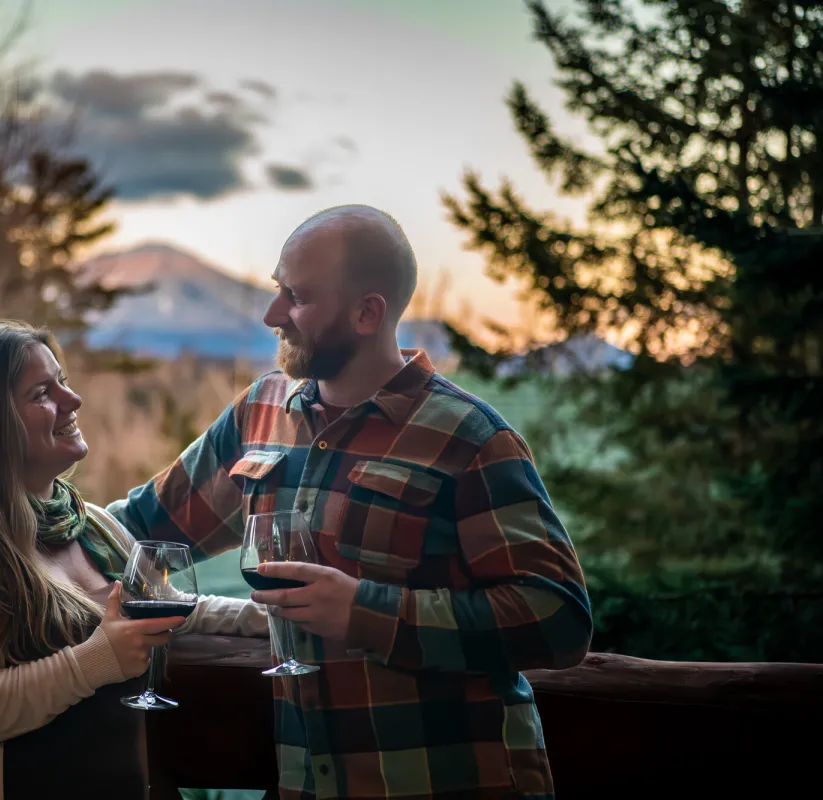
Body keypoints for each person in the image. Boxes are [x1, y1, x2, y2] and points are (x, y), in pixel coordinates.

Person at [109, 205, 593, 799]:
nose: (271, 315)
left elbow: (559, 619)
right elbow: (135, 530)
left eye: (298, 297)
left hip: (445, 784)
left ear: (368, 312)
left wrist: (363, 611)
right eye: (276, 290)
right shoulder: (259, 413)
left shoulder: (470, 438)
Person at [0, 321, 268, 800]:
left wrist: (268, 619)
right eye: (43, 392)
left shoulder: (93, 525)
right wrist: (96, 660)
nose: (73, 400)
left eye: (62, 381)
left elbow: (172, 608)